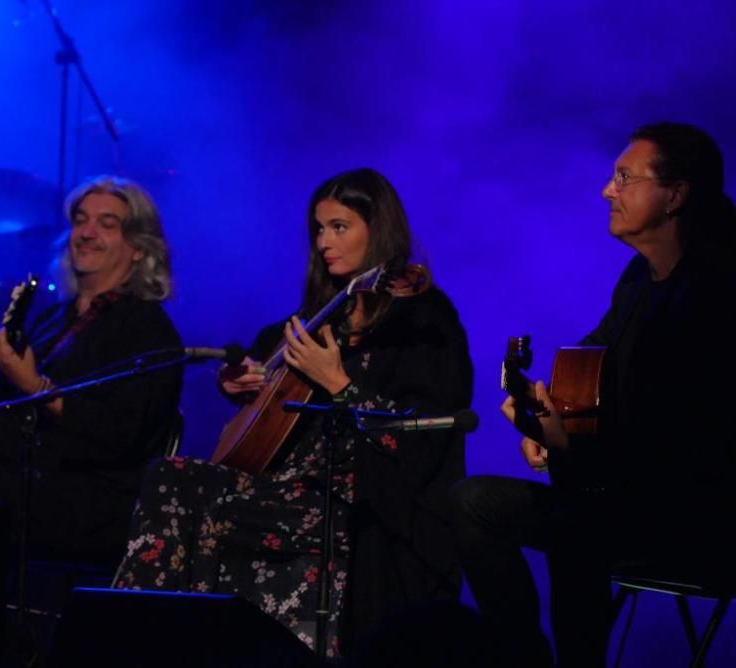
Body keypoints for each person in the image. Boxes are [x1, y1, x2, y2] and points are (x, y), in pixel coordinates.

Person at [451, 122, 736, 666]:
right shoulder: (639, 279)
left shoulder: (717, 297)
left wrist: (567, 444)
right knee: (473, 503)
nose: (605, 190)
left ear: (676, 195)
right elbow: (591, 362)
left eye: (624, 177)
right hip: (629, 497)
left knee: (579, 522)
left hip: (706, 518)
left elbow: (685, 439)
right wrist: (547, 415)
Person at [113, 168, 473, 657]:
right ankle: (139, 643)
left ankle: (132, 646)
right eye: (319, 229)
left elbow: (420, 434)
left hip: (358, 496)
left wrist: (339, 383)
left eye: (339, 227)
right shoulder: (323, 314)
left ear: (380, 229)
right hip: (291, 486)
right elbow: (260, 363)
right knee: (169, 478)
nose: (325, 241)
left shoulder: (425, 319)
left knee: (188, 495)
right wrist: (237, 382)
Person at [0, 175, 183, 565]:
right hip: (23, 490)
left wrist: (33, 385)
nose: (87, 233)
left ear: (139, 248)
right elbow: (20, 399)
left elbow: (122, 435)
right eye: (80, 219)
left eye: (107, 225)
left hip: (90, 505)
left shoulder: (148, 329)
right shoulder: (53, 319)